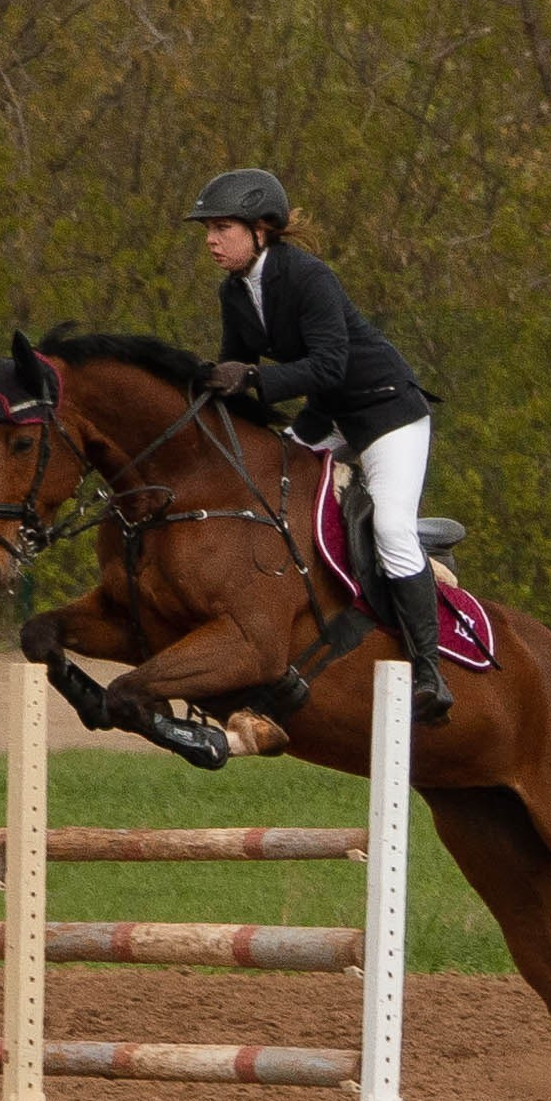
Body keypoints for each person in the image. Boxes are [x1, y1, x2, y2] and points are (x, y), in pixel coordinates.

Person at [186, 168, 453, 724]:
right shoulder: (234, 292)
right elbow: (241, 376)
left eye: (221, 228)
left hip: (386, 414)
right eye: (207, 229)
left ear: (263, 229)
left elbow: (328, 366)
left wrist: (254, 380)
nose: (211, 240)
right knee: (263, 486)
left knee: (391, 528)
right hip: (328, 417)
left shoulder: (308, 277)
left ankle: (430, 670)